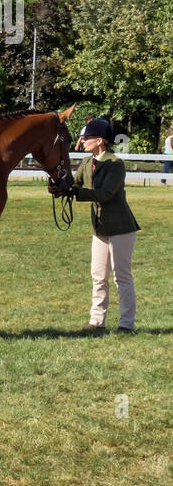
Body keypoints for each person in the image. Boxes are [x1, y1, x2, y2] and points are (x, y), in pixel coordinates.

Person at [66, 118, 140, 333]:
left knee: (121, 276)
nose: (83, 141)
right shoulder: (87, 162)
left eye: (86, 138)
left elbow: (105, 194)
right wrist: (60, 185)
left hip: (121, 227)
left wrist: (75, 193)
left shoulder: (116, 163)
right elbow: (75, 184)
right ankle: (97, 322)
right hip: (100, 228)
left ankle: (126, 324)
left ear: (99, 141)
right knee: (98, 276)